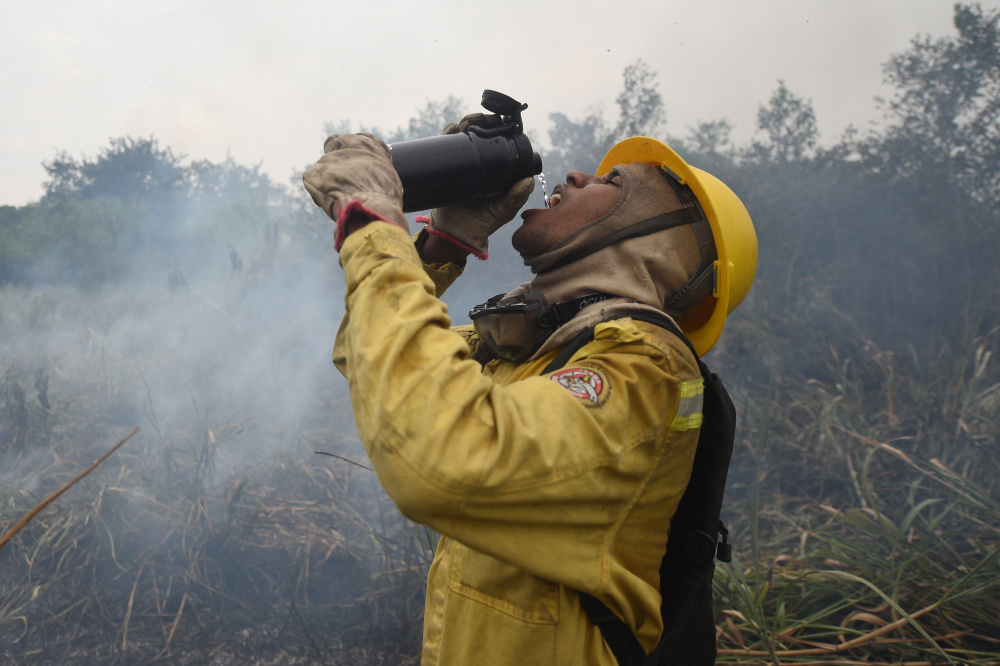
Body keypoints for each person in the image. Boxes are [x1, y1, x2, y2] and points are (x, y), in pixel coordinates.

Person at [302, 125, 756, 665]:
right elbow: (367, 356)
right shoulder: (542, 349)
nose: (574, 174)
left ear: (666, 239)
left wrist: (375, 224)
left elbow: (443, 461)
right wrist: (447, 241)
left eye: (613, 181)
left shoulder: (643, 368)